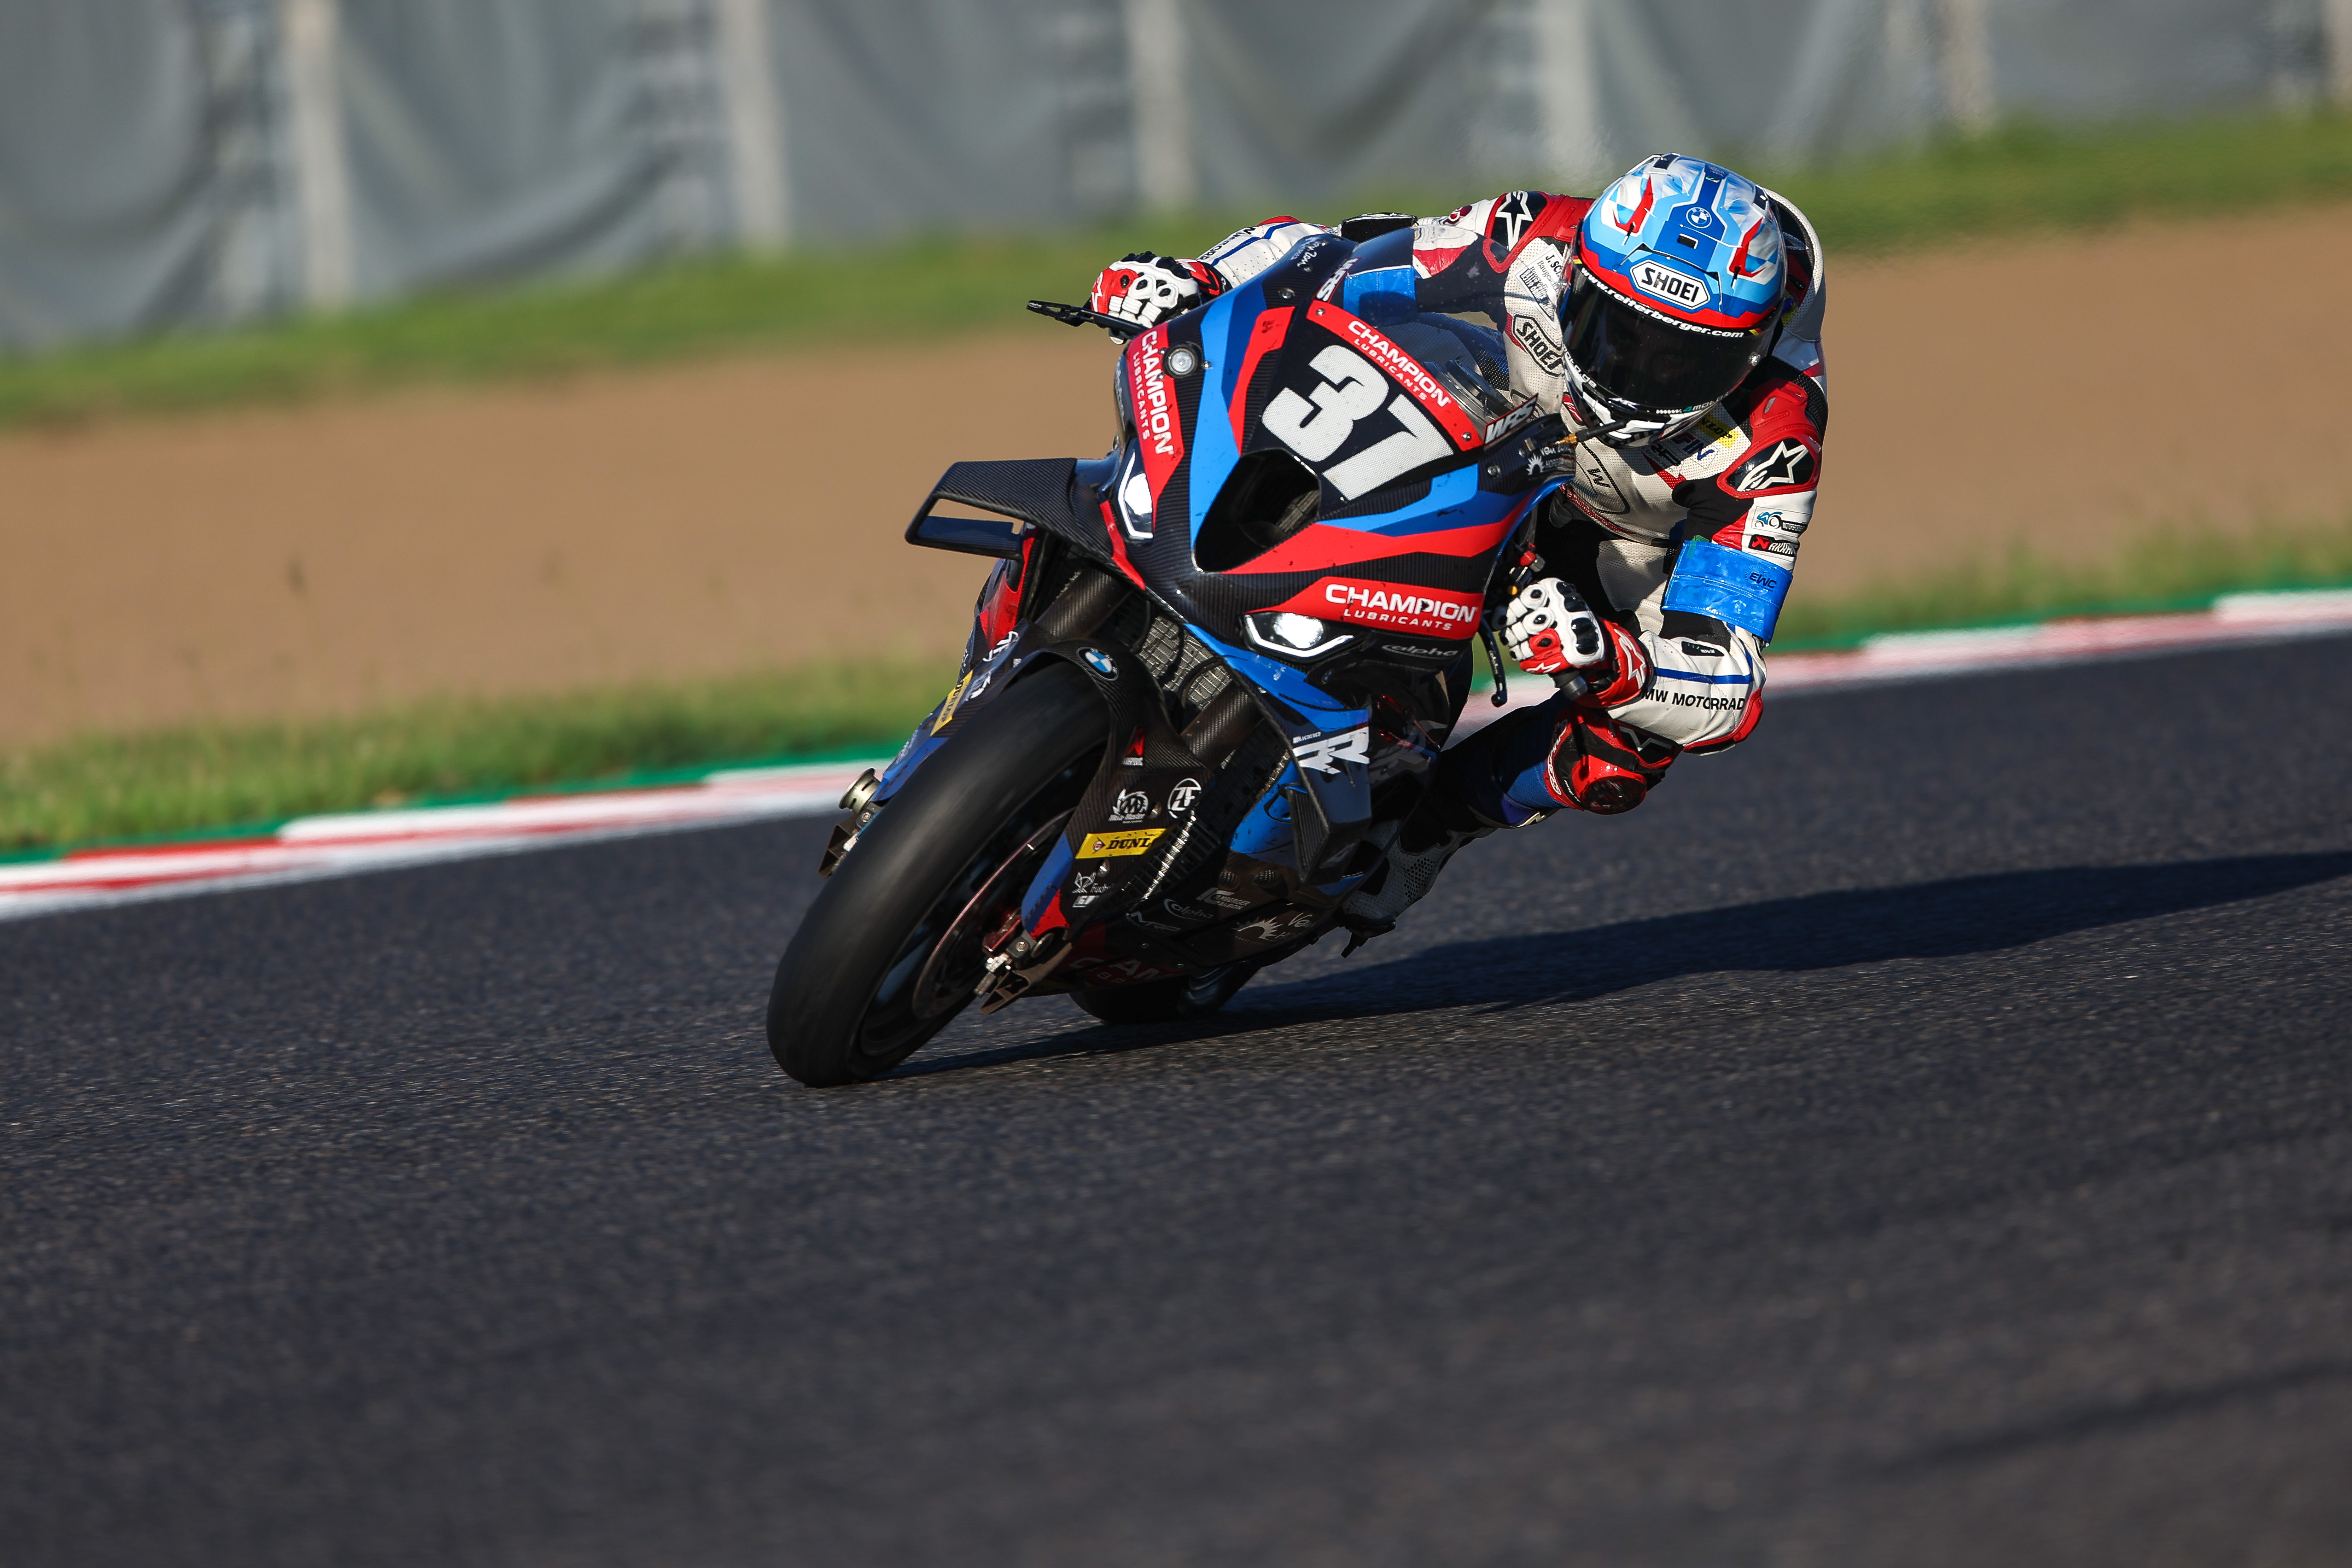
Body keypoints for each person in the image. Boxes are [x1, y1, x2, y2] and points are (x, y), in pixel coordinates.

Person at [1085, 154, 1827, 933]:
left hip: (1612, 548)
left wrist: (1612, 659)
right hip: (1489, 430)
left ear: (1749, 355)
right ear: (1581, 275)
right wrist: (1203, 278)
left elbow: (1729, 681)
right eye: (1616, 330)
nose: (1637, 371)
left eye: (1683, 360)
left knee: (1623, 752)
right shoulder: (1538, 235)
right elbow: (1335, 254)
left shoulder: (1778, 437)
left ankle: (1430, 831)